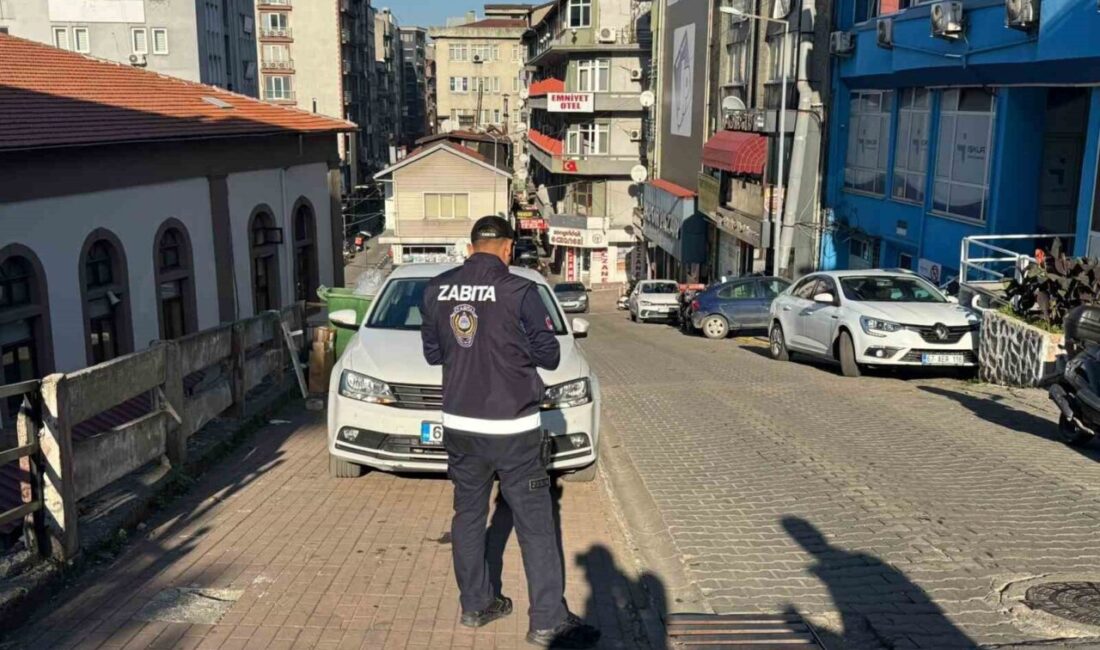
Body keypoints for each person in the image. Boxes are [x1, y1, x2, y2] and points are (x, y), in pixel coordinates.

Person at [420, 216, 600, 649]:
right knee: (536, 524)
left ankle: (476, 605)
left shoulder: (436, 289)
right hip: (514, 428)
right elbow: (550, 356)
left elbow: (432, 354)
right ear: (505, 248)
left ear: (470, 247)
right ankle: (547, 622)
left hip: (461, 426)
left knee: (467, 516)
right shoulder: (520, 289)